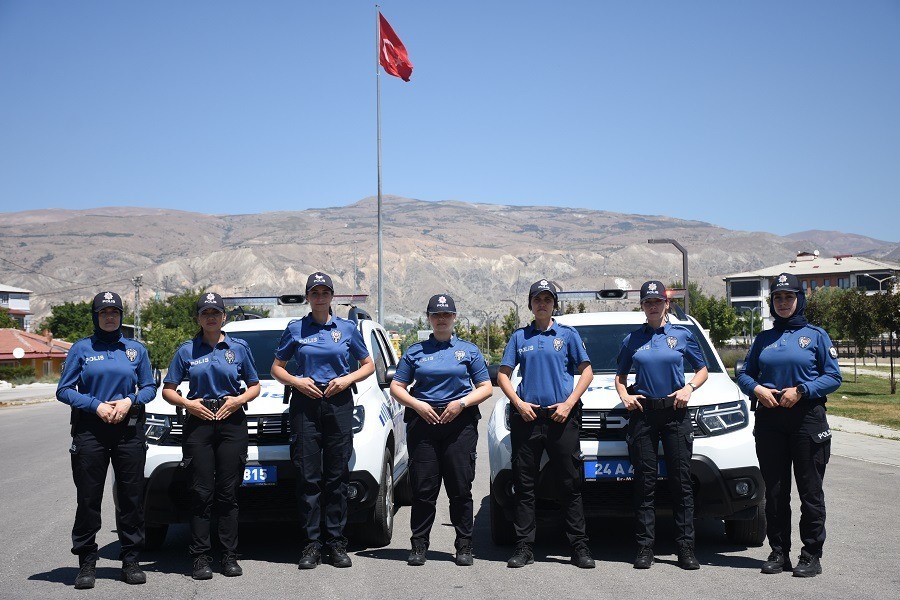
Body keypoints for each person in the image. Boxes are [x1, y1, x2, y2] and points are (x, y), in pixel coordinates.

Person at [738, 272, 841, 578]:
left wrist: (802, 390)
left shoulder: (816, 336)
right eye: (778, 297)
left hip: (806, 418)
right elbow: (744, 374)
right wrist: (757, 389)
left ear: (800, 299)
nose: (783, 302)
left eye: (789, 297)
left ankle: (811, 555)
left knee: (810, 492)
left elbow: (833, 376)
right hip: (770, 419)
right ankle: (779, 552)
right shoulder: (763, 339)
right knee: (775, 491)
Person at [271, 272, 375, 570]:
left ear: (332, 297)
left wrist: (347, 380)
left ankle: (337, 543)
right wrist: (296, 382)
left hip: (338, 403)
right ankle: (311, 544)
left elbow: (368, 365)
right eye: (314, 293)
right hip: (305, 404)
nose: (319, 297)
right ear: (307, 297)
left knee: (337, 476)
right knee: (309, 477)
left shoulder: (347, 328)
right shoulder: (295, 329)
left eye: (324, 292)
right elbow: (277, 368)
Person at [56, 291, 156, 589]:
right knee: (88, 498)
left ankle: (131, 561)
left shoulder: (136, 349)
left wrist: (130, 401)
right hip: (90, 431)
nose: (109, 317)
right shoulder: (81, 348)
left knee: (131, 498)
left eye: (114, 312)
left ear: (121, 316)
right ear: (95, 316)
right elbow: (64, 390)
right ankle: (87, 562)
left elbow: (149, 387)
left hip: (128, 431)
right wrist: (95, 405)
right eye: (104, 313)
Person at [497, 279, 595, 569]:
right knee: (524, 485)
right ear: (530, 304)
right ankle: (524, 547)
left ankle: (579, 547)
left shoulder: (567, 335)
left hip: (561, 417)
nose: (542, 304)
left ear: (554, 305)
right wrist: (518, 403)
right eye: (537, 299)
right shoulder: (519, 337)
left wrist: (569, 403)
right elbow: (503, 375)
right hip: (527, 418)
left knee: (570, 483)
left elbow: (587, 372)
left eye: (547, 299)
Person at [162, 292, 261, 580]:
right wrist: (188, 404)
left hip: (232, 421)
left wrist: (238, 400)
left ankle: (229, 556)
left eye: (215, 312)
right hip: (199, 422)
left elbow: (254, 385)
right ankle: (200, 558)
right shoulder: (186, 350)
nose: (211, 317)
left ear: (224, 317)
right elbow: (168, 390)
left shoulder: (238, 348)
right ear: (198, 318)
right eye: (205, 313)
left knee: (228, 494)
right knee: (200, 493)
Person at [390, 294, 493, 566]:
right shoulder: (415, 351)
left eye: (447, 314)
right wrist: (417, 405)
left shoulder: (468, 351)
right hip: (423, 424)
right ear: (429, 318)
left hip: (459, 425)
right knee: (424, 490)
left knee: (460, 488)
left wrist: (461, 404)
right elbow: (397, 387)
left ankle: (464, 545)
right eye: (436, 314)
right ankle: (419, 545)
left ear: (454, 317)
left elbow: (485, 388)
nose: (442, 319)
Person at [615, 280, 708, 571]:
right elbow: (620, 376)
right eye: (648, 302)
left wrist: (689, 388)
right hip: (643, 415)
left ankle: (685, 549)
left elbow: (702, 370)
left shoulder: (682, 335)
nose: (653, 306)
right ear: (642, 306)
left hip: (675, 414)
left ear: (666, 304)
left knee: (681, 483)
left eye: (657, 301)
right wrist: (624, 396)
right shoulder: (632, 339)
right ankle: (645, 548)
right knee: (645, 483)